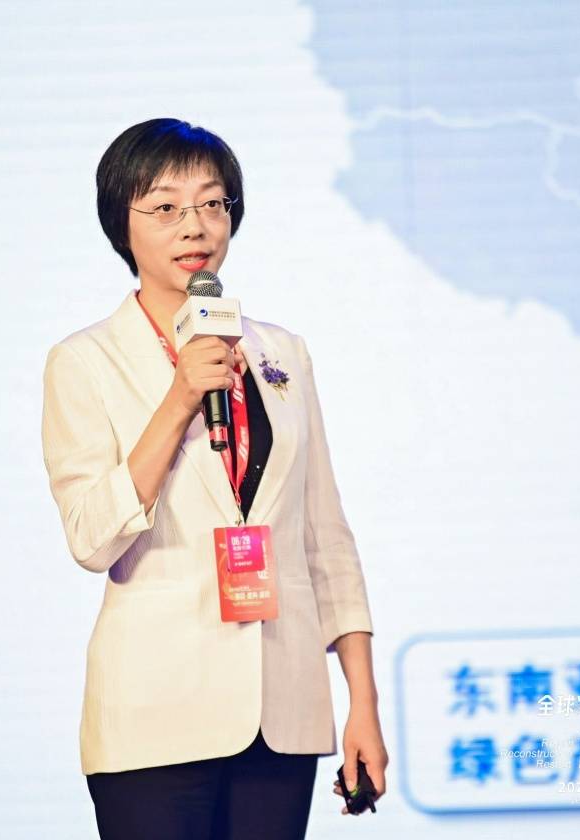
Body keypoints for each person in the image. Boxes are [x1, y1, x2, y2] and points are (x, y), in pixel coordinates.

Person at [40, 118, 386, 840]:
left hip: (282, 711)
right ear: (121, 223)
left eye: (212, 202)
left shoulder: (280, 352)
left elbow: (325, 536)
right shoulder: (85, 362)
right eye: (165, 207)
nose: (194, 225)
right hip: (153, 717)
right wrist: (178, 400)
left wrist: (363, 702)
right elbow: (92, 538)